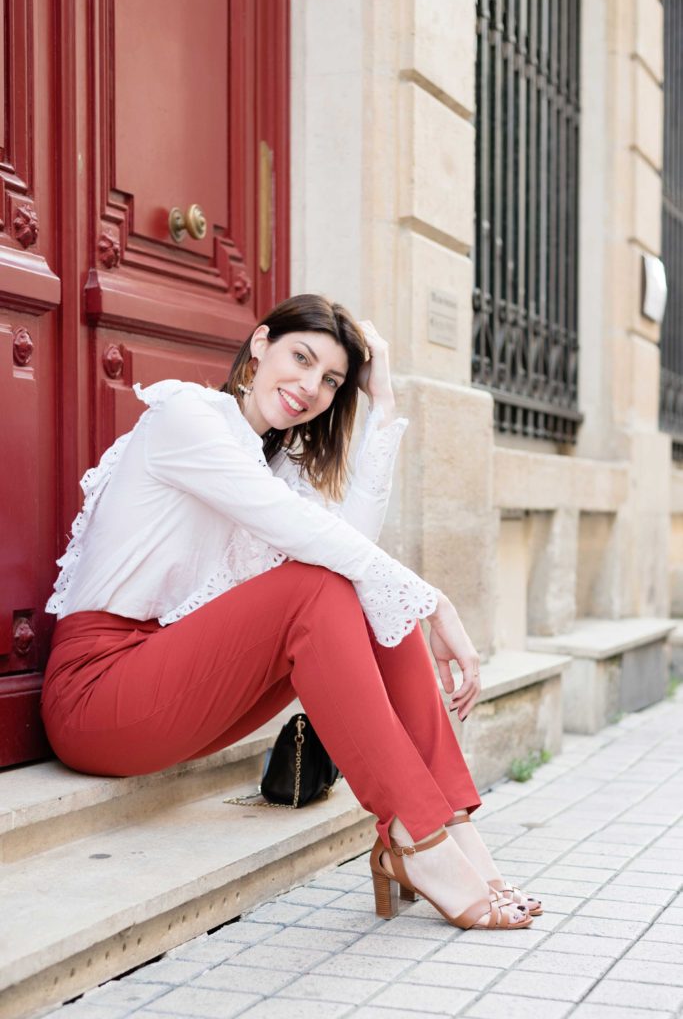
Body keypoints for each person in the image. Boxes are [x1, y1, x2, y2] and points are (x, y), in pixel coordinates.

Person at [41, 293, 541, 931]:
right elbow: (319, 551)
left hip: (170, 687)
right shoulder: (189, 418)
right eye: (299, 358)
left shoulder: (273, 466)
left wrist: (381, 404)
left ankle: (453, 827)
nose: (310, 386)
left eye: (332, 379)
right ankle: (416, 838)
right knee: (324, 584)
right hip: (97, 694)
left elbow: (350, 557)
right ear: (259, 345)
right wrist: (434, 601)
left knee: (353, 585)